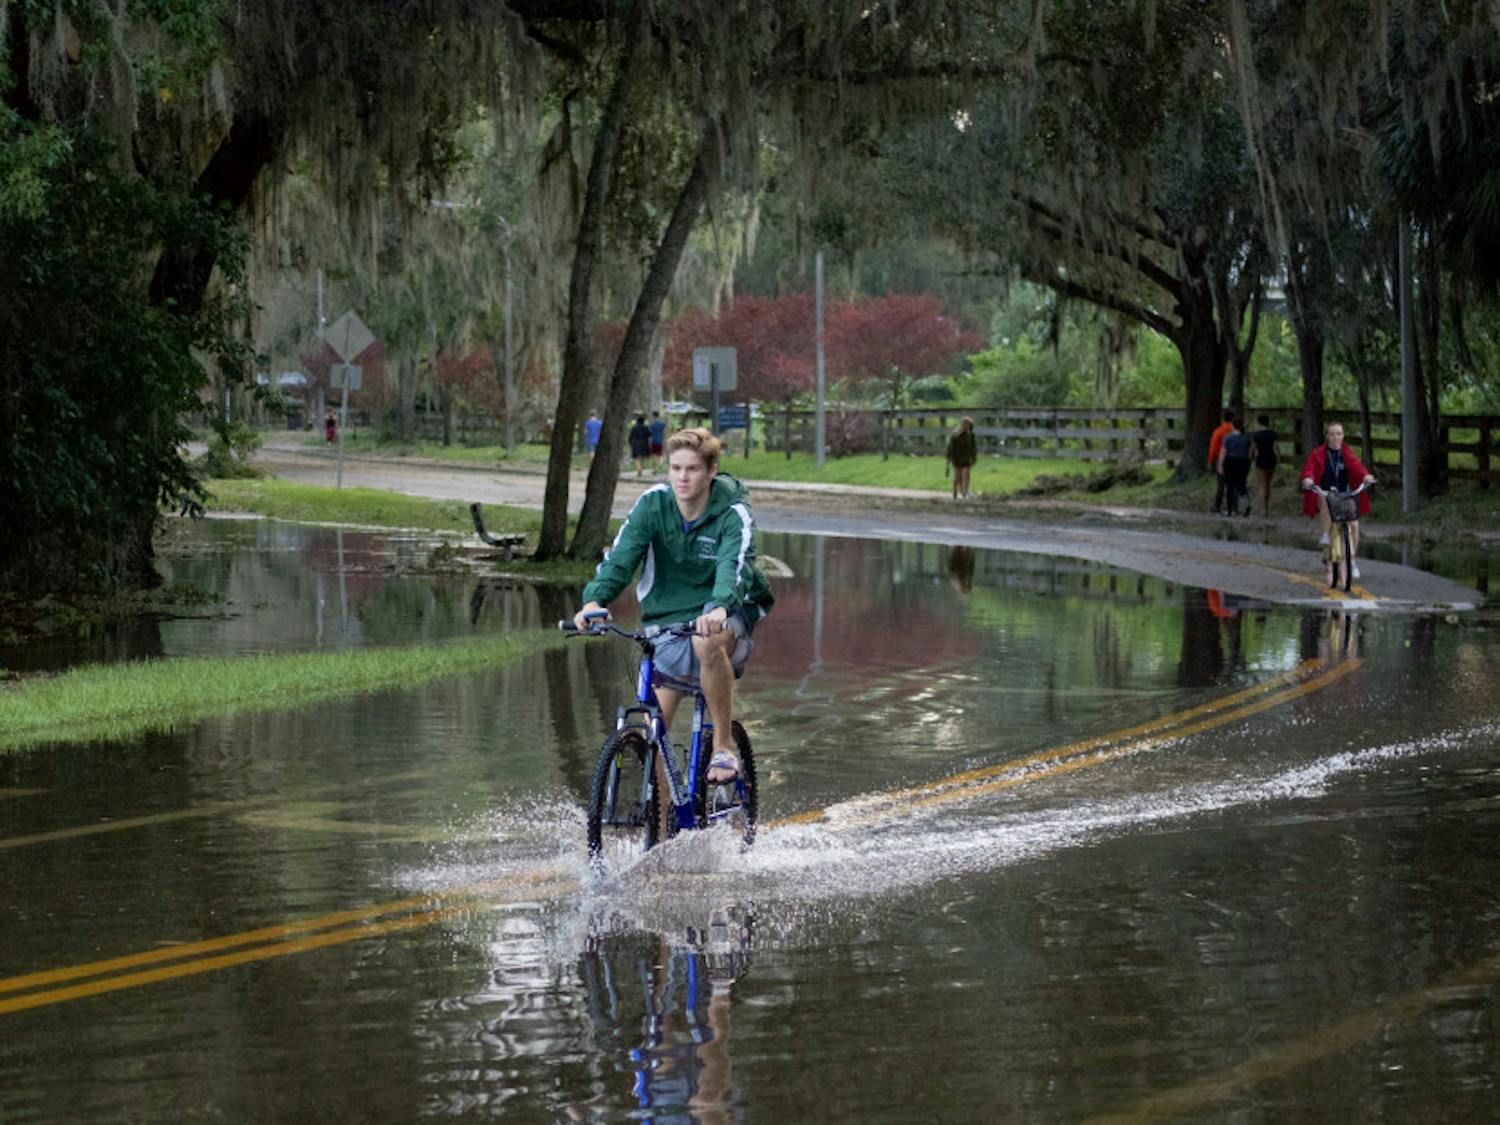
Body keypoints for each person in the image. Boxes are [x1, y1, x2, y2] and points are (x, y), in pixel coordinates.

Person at [573, 427, 774, 784]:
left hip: (729, 608)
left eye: (692, 469)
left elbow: (734, 567)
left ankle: (724, 746)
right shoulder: (653, 505)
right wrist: (594, 600)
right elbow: (621, 557)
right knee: (653, 741)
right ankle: (663, 830)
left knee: (707, 641)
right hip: (667, 619)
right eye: (676, 468)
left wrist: (718, 607)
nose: (683, 477)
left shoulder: (732, 512)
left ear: (711, 471)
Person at [1300, 421, 1377, 582]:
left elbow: (1357, 467)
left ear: (1343, 436)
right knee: (1324, 500)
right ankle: (1325, 536)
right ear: (1327, 436)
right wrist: (1308, 479)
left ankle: (1352, 560)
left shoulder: (1347, 453)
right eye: (1332, 434)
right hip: (1326, 492)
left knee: (1354, 526)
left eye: (1339, 434)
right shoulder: (1318, 453)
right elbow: (1310, 468)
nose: (1336, 437)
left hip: (1345, 494)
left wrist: (1365, 476)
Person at [1217, 416, 1252, 516]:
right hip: (1243, 462)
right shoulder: (1245, 438)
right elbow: (1248, 452)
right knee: (1242, 486)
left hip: (1231, 462)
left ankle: (1230, 510)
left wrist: (1220, 465)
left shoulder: (1228, 437)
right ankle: (1247, 505)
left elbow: (1223, 452)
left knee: (1230, 486)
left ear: (1233, 426)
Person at [1207, 408, 1236, 514]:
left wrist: (1210, 461)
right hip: (1234, 459)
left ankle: (1217, 505)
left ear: (1223, 418)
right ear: (1233, 419)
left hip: (1221, 460)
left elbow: (1213, 448)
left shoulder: (1218, 431)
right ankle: (1233, 506)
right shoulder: (1235, 432)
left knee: (1221, 484)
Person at [1250, 413, 1278, 517]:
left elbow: (1253, 448)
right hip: (1271, 459)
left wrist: (1251, 458)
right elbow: (1276, 447)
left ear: (1259, 423)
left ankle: (1263, 507)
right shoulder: (1273, 434)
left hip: (1261, 459)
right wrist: (1278, 459)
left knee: (1262, 483)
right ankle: (1266, 505)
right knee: (1268, 483)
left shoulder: (1257, 435)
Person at [945, 417, 978, 499]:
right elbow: (950, 447)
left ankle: (965, 491)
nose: (967, 427)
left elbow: (973, 447)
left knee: (966, 474)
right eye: (966, 425)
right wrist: (948, 458)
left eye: (969, 426)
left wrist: (974, 457)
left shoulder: (971, 435)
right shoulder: (955, 435)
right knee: (958, 476)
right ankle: (958, 491)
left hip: (967, 458)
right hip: (957, 458)